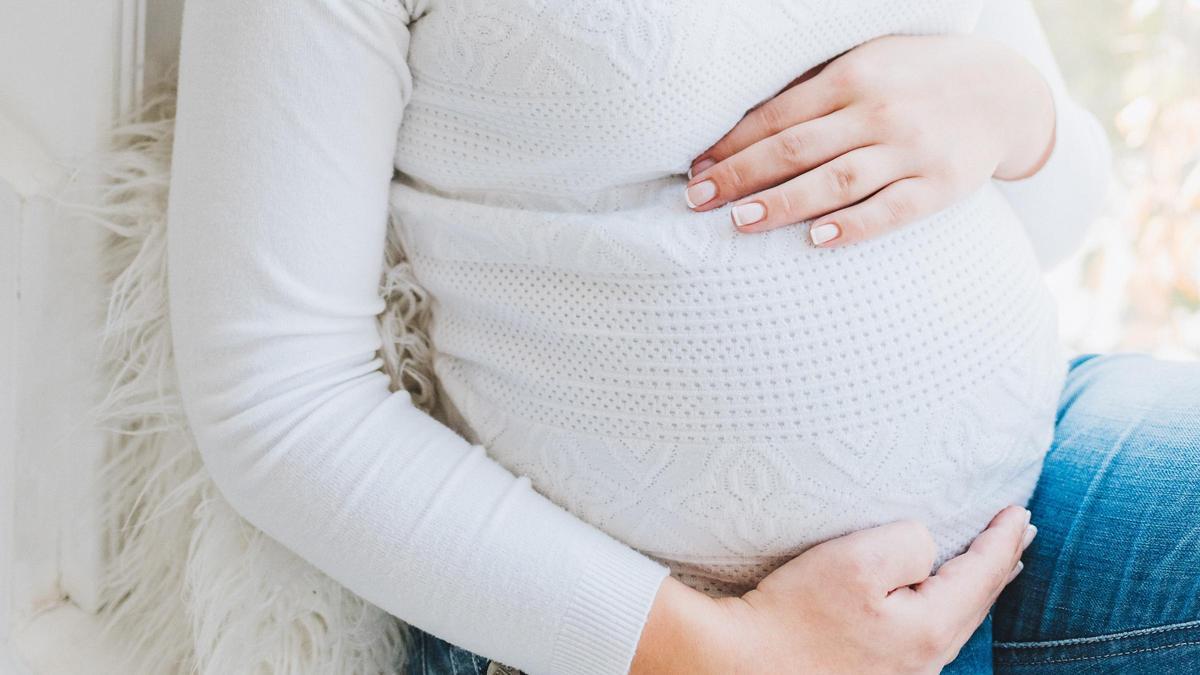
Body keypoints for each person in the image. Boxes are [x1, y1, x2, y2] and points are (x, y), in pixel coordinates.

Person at [164, 0, 1200, 673]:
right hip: (636, 625)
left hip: (1030, 491)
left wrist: (1016, 110)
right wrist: (730, 653)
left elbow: (1057, 214)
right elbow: (277, 400)